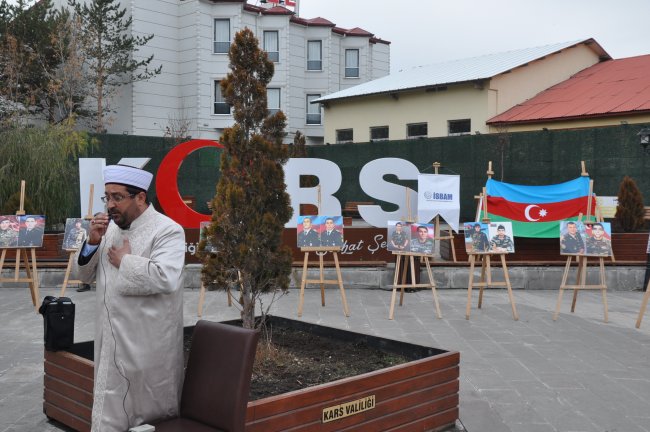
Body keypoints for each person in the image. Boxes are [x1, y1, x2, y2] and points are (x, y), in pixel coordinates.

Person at [73, 164, 185, 431]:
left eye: (118, 197)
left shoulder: (168, 230)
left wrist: (125, 261)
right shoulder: (109, 230)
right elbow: (84, 276)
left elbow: (166, 277)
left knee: (146, 414)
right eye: (107, 197)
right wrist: (92, 242)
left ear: (141, 197)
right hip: (110, 341)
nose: (110, 205)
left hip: (147, 345)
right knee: (109, 414)